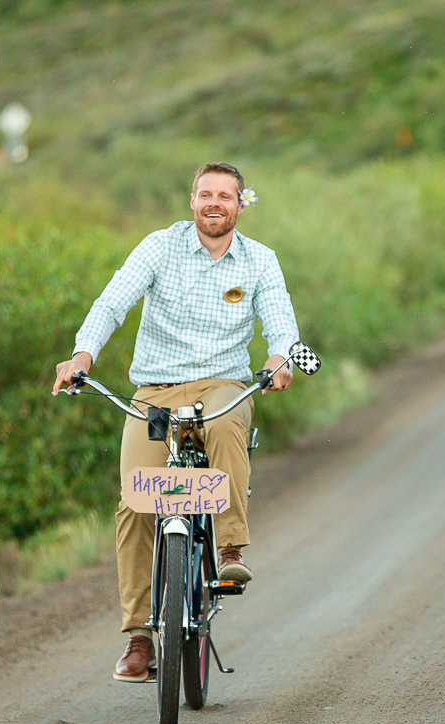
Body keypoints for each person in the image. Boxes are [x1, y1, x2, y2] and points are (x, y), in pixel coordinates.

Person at [51, 162, 300, 681]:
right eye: (205, 194)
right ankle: (140, 638)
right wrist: (82, 356)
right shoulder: (159, 247)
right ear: (191, 200)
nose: (215, 203)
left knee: (228, 426)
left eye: (225, 196)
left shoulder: (260, 261)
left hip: (222, 384)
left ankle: (229, 547)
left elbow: (280, 322)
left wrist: (280, 358)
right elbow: (112, 301)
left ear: (240, 204)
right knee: (135, 499)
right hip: (155, 390)